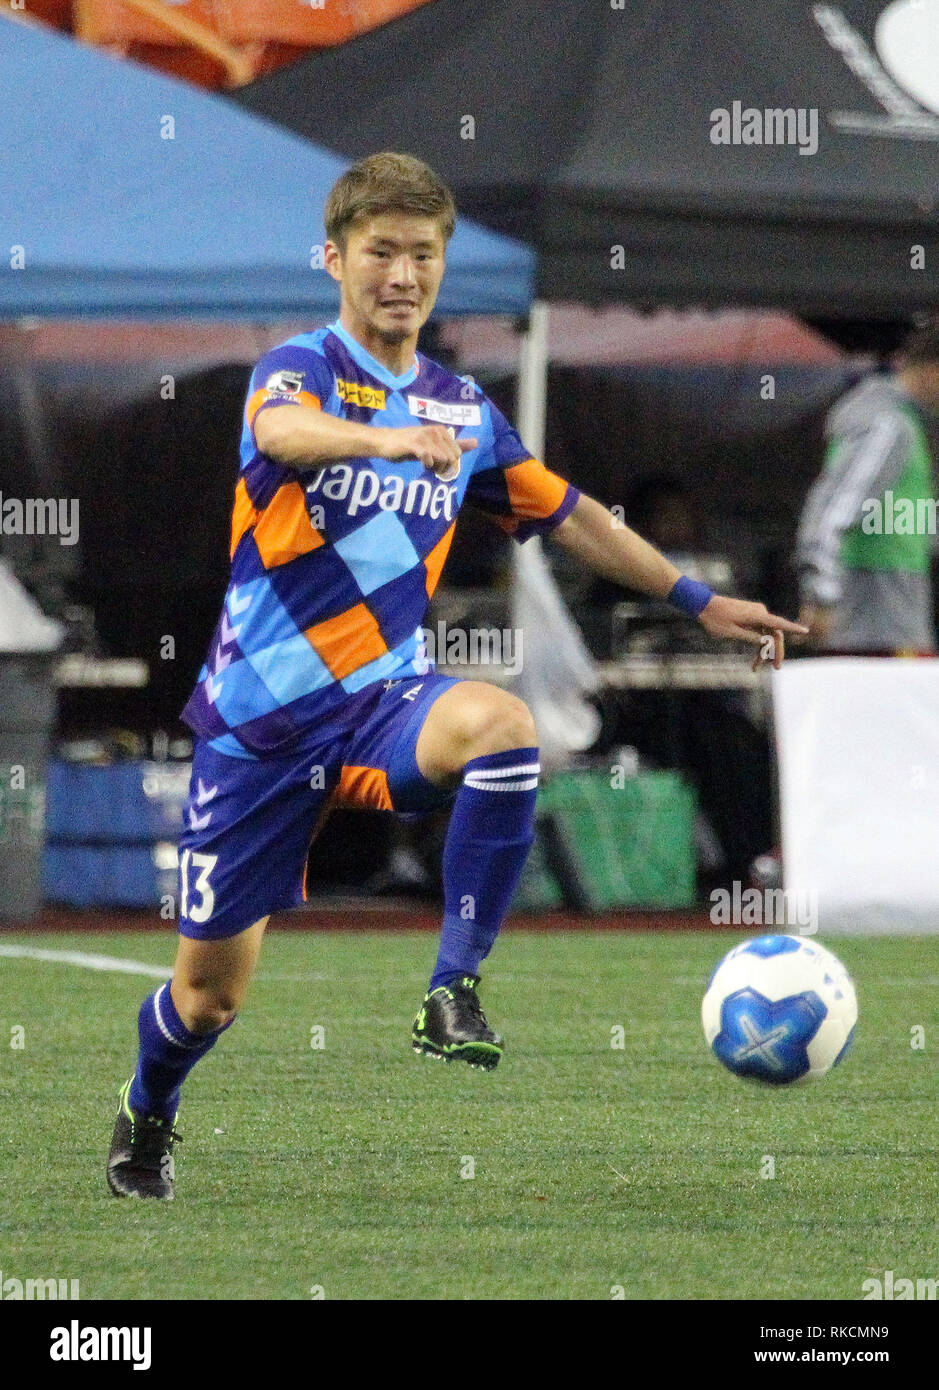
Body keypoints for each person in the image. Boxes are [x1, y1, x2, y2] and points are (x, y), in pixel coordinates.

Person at [106, 152, 805, 1199]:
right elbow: (280, 433)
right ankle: (149, 1112)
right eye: (380, 250)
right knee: (207, 999)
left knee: (503, 723)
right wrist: (386, 437)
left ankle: (451, 990)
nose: (402, 273)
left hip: (385, 707)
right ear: (335, 257)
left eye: (421, 254)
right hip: (262, 728)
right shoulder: (296, 368)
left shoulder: (466, 411)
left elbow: (569, 513)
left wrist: (699, 602)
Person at [796, 321, 939, 655]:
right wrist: (821, 594)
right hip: (868, 633)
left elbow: (914, 524)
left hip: (897, 627)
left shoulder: (908, 427)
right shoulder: (886, 425)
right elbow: (830, 512)